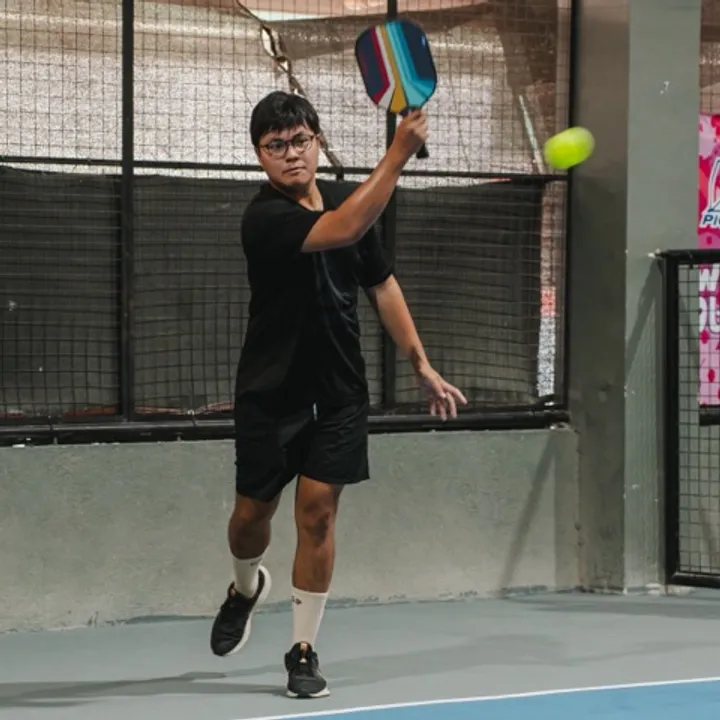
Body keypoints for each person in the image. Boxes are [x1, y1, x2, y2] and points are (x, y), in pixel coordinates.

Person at [209, 90, 467, 699]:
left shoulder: (347, 199)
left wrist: (421, 363)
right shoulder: (264, 219)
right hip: (271, 392)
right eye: (275, 145)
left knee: (318, 513)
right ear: (259, 156)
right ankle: (245, 587)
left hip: (340, 391)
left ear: (318, 141)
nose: (291, 154)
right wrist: (397, 156)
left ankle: (302, 649)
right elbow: (345, 226)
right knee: (250, 519)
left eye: (300, 140)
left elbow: (381, 284)